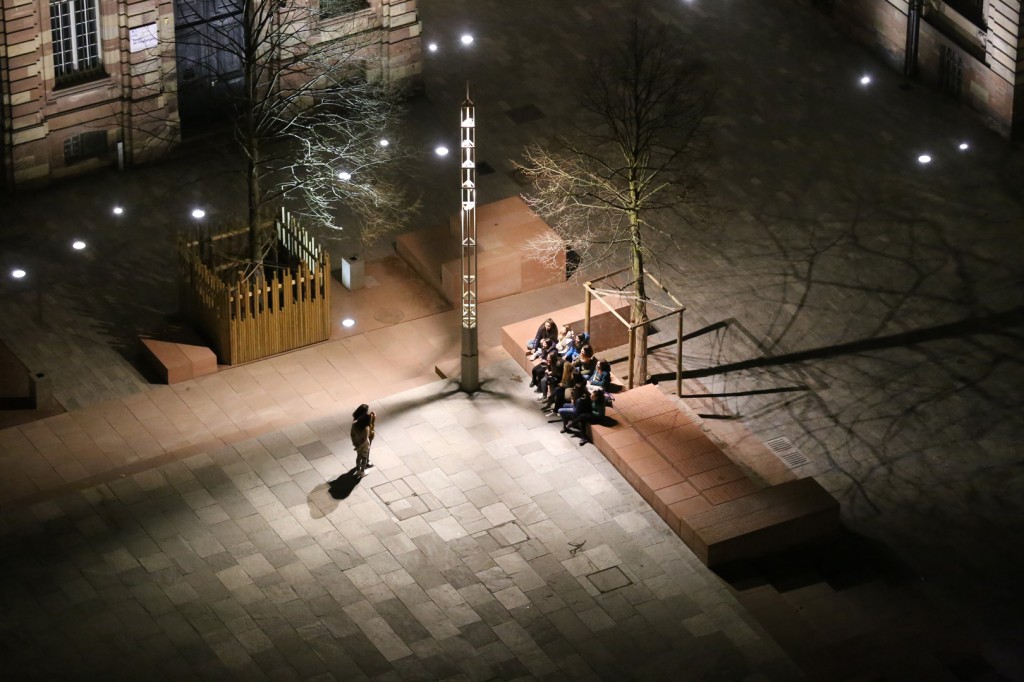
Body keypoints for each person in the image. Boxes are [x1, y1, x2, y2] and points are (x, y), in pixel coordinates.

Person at [351, 404, 376, 476]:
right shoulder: (366, 428)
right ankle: (362, 471)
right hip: (364, 445)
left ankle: (358, 469)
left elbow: (352, 434)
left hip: (357, 443)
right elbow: (365, 439)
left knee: (358, 456)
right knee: (364, 457)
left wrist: (355, 443)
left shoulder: (354, 423)